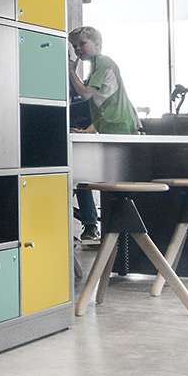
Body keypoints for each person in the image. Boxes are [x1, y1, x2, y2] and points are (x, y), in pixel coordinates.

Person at [68, 25, 139, 241]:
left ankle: (116, 233)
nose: (78, 49)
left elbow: (86, 94)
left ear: (97, 44)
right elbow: (103, 104)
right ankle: (105, 231)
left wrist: (71, 71)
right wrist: (86, 130)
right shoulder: (97, 66)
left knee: (95, 180)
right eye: (74, 46)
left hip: (118, 129)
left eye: (82, 44)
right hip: (112, 127)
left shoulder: (102, 62)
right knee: (85, 176)